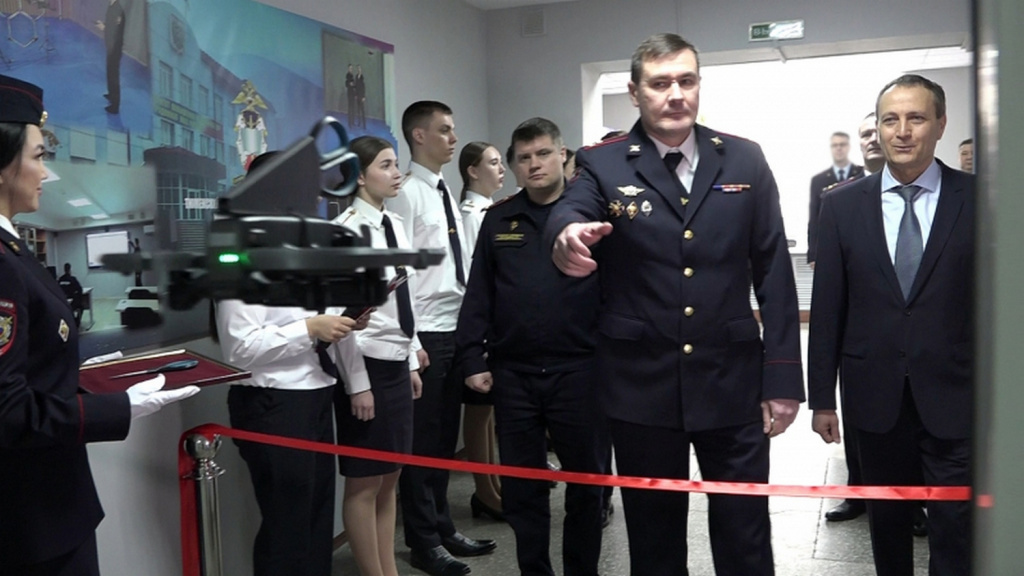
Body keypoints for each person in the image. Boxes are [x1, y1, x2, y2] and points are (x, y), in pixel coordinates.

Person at [548, 34, 804, 575]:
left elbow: (775, 274)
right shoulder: (604, 162)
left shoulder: (743, 158)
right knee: (654, 541)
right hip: (641, 385)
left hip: (732, 382)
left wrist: (782, 378)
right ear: (634, 92)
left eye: (686, 81)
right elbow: (571, 207)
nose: (675, 94)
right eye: (660, 83)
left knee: (745, 536)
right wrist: (567, 233)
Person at [0, 74, 198, 575]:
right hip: (31, 518)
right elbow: (7, 411)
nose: (47, 172)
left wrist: (82, 370)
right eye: (39, 156)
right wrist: (118, 407)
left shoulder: (13, 249)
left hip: (45, 506)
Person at [809, 74, 973, 576]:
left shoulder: (978, 199)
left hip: (957, 394)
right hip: (874, 397)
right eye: (890, 120)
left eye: (916, 118)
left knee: (956, 527)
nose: (902, 131)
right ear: (878, 128)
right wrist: (822, 399)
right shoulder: (841, 206)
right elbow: (828, 308)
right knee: (887, 524)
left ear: (940, 124)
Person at [457, 117, 608, 576]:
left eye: (543, 153)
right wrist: (472, 357)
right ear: (514, 164)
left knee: (587, 487)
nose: (534, 164)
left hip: (581, 372)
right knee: (524, 489)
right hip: (516, 374)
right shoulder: (499, 218)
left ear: (562, 155)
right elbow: (479, 294)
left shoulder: (591, 219)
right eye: (524, 158)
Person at [215, 151, 368, 576]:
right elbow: (239, 349)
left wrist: (344, 320)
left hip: (314, 393)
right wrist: (309, 328)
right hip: (273, 404)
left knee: (317, 519)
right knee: (287, 528)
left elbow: (315, 315)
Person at [387, 101, 495, 576]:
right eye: (445, 130)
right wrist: (411, 343)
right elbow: (401, 274)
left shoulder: (443, 189)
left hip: (454, 327)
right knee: (423, 443)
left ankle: (443, 527)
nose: (453, 139)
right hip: (426, 332)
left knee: (443, 438)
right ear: (418, 136)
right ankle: (424, 540)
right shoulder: (407, 193)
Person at [331, 136, 424, 576]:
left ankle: (389, 570)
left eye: (395, 164)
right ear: (359, 176)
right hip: (365, 365)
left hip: (394, 361)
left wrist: (411, 359)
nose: (396, 173)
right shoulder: (346, 232)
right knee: (365, 481)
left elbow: (404, 299)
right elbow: (342, 318)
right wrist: (358, 384)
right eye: (385, 165)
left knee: (391, 477)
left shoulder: (394, 224)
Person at [456, 140, 505, 522]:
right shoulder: (473, 215)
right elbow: (477, 280)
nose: (500, 169)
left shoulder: (488, 211)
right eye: (492, 162)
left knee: (488, 410)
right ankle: (485, 491)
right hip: (479, 322)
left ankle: (494, 484)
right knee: (478, 410)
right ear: (473, 171)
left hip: (493, 321)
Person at [807, 131, 864, 268]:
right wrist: (813, 254)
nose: (839, 148)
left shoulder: (862, 174)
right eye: (835, 145)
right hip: (830, 243)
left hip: (860, 242)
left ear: (849, 147)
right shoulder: (818, 181)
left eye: (842, 145)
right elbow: (814, 218)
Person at [96, 0, 126, 114]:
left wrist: (104, 28)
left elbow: (115, 29)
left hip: (115, 47)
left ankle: (115, 105)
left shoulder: (118, 9)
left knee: (114, 75)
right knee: (109, 71)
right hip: (110, 45)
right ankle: (111, 94)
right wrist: (103, 24)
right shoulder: (111, 6)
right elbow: (111, 23)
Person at [58, 262, 85, 327]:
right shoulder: (73, 279)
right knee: (81, 307)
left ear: (64, 270)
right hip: (72, 302)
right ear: (70, 270)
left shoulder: (60, 279)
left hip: (63, 302)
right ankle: (76, 324)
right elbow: (80, 289)